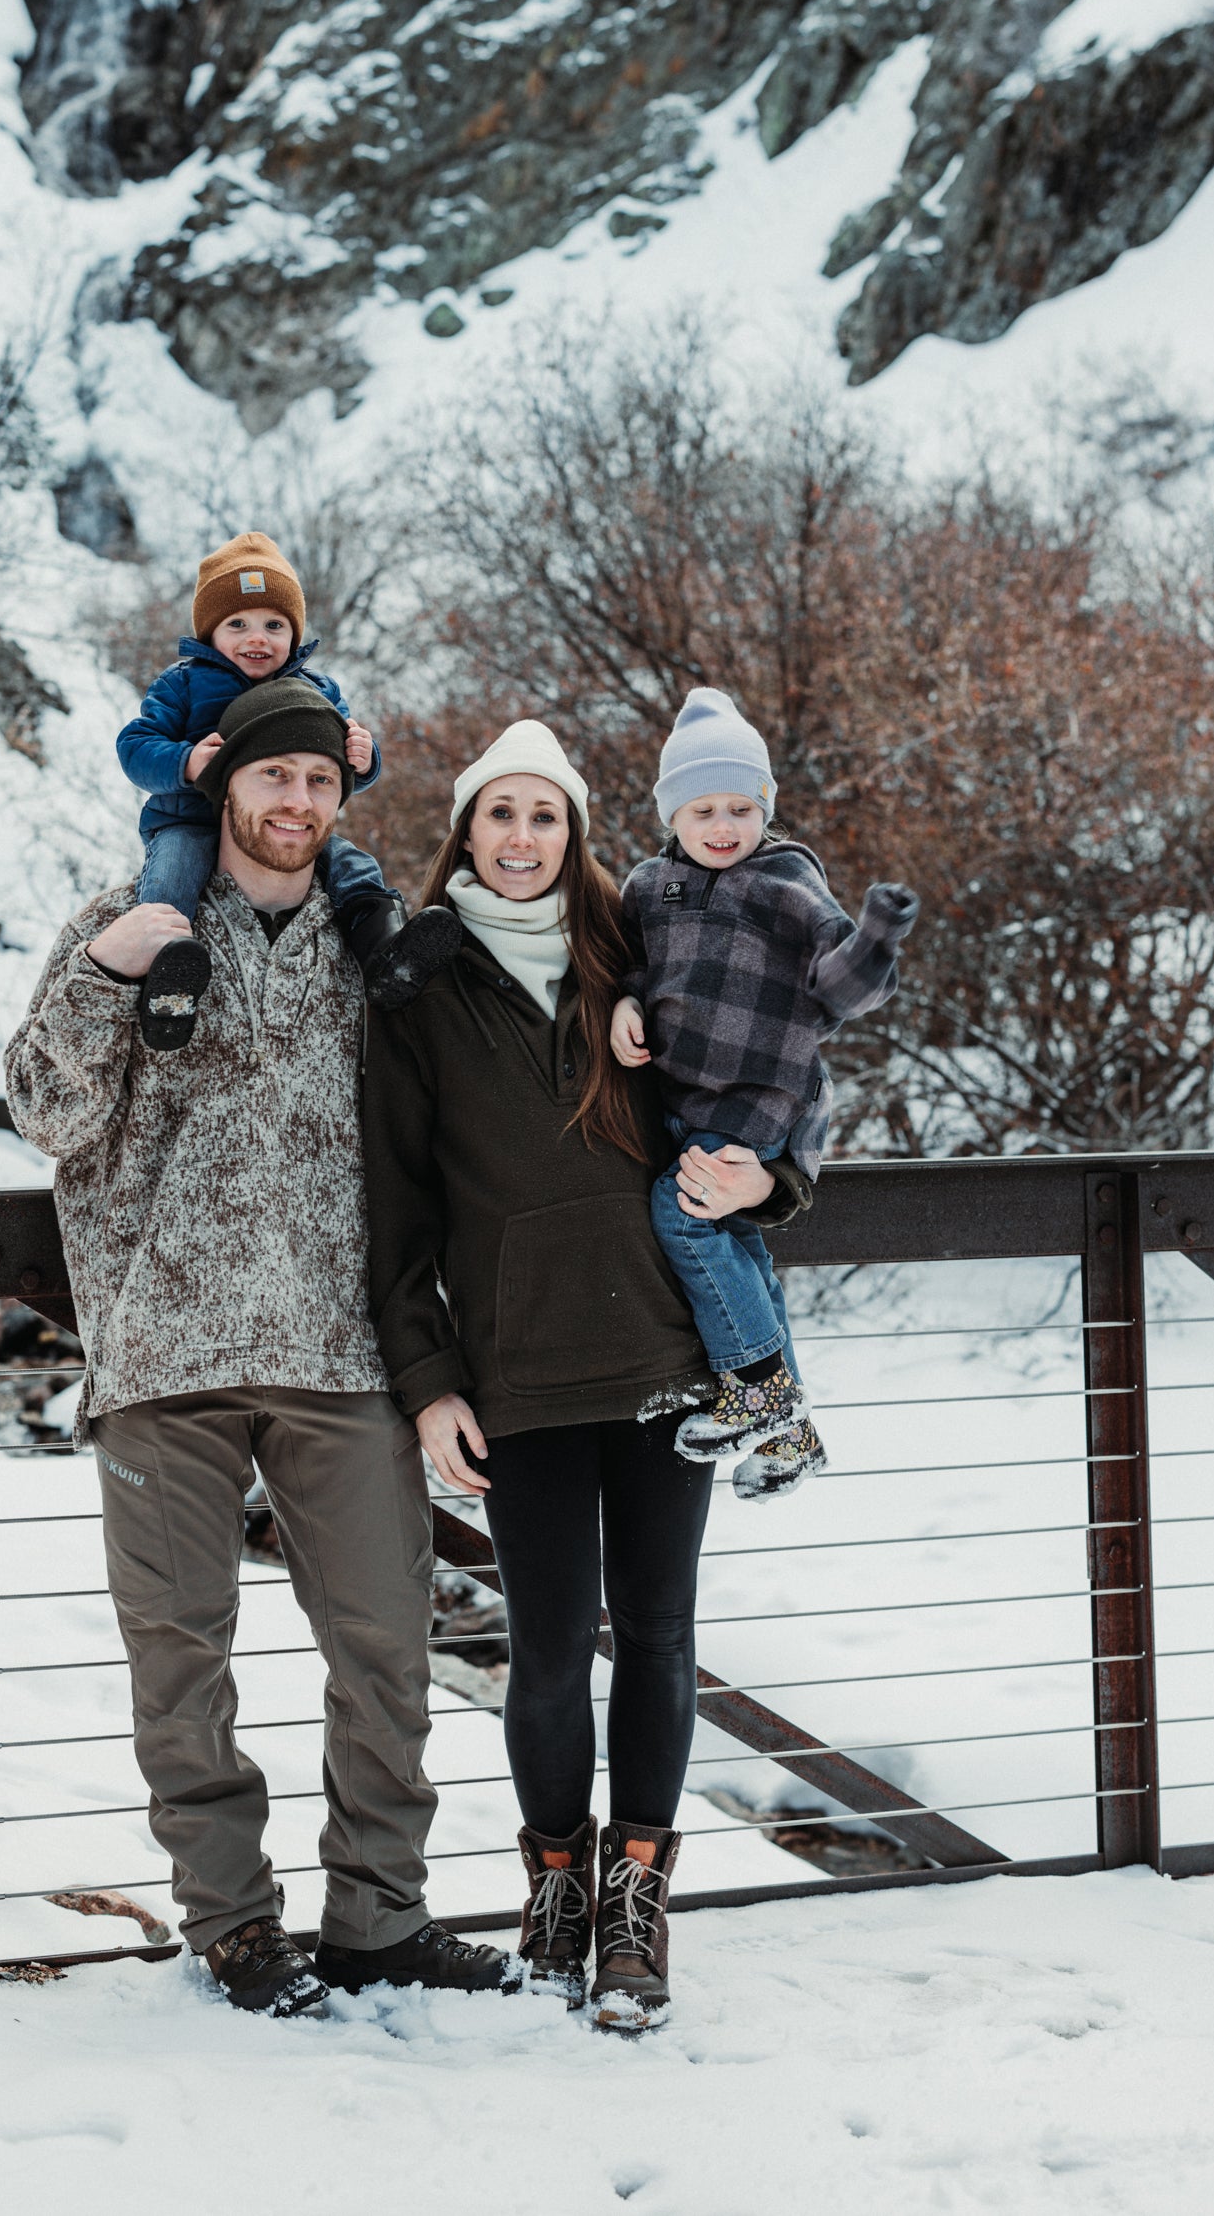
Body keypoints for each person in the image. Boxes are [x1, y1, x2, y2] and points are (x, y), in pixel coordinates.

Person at [5, 678, 515, 2019]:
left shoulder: (375, 940)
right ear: (224, 780)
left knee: (386, 1647)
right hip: (161, 1349)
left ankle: (378, 1921)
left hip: (342, 1350)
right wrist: (104, 978)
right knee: (180, 1662)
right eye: (272, 777)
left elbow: (461, 1124)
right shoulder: (132, 919)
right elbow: (45, 1109)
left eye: (317, 781)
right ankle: (232, 1928)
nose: (295, 801)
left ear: (340, 795)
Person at [361, 719, 810, 2031]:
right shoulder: (418, 983)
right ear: (465, 830)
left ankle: (635, 1903)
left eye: (544, 815)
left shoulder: (642, 943)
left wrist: (772, 1180)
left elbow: (776, 1062)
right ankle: (555, 1886)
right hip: (518, 1370)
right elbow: (393, 1210)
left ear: (574, 832)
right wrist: (427, 1378)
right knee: (550, 1650)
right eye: (498, 814)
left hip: (666, 1355)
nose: (521, 838)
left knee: (658, 1636)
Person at [614, 687, 917, 1489]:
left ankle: (757, 1393)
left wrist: (877, 937)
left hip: (759, 1093)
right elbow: (626, 963)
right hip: (681, 1099)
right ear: (671, 814)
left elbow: (840, 986)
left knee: (682, 1215)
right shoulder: (648, 886)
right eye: (703, 810)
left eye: (741, 809)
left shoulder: (785, 882)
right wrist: (623, 1001)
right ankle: (792, 1434)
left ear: (764, 808)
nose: (723, 826)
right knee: (739, 1246)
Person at [115, 530, 458, 1048]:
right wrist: (185, 762)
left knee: (352, 864)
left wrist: (364, 759)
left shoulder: (316, 690)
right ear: (210, 632)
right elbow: (135, 746)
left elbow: (338, 764)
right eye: (238, 624)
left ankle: (385, 951)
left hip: (285, 826)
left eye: (274, 625)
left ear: (294, 635)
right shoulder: (183, 683)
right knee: (172, 879)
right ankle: (166, 978)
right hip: (188, 819)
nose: (257, 639)